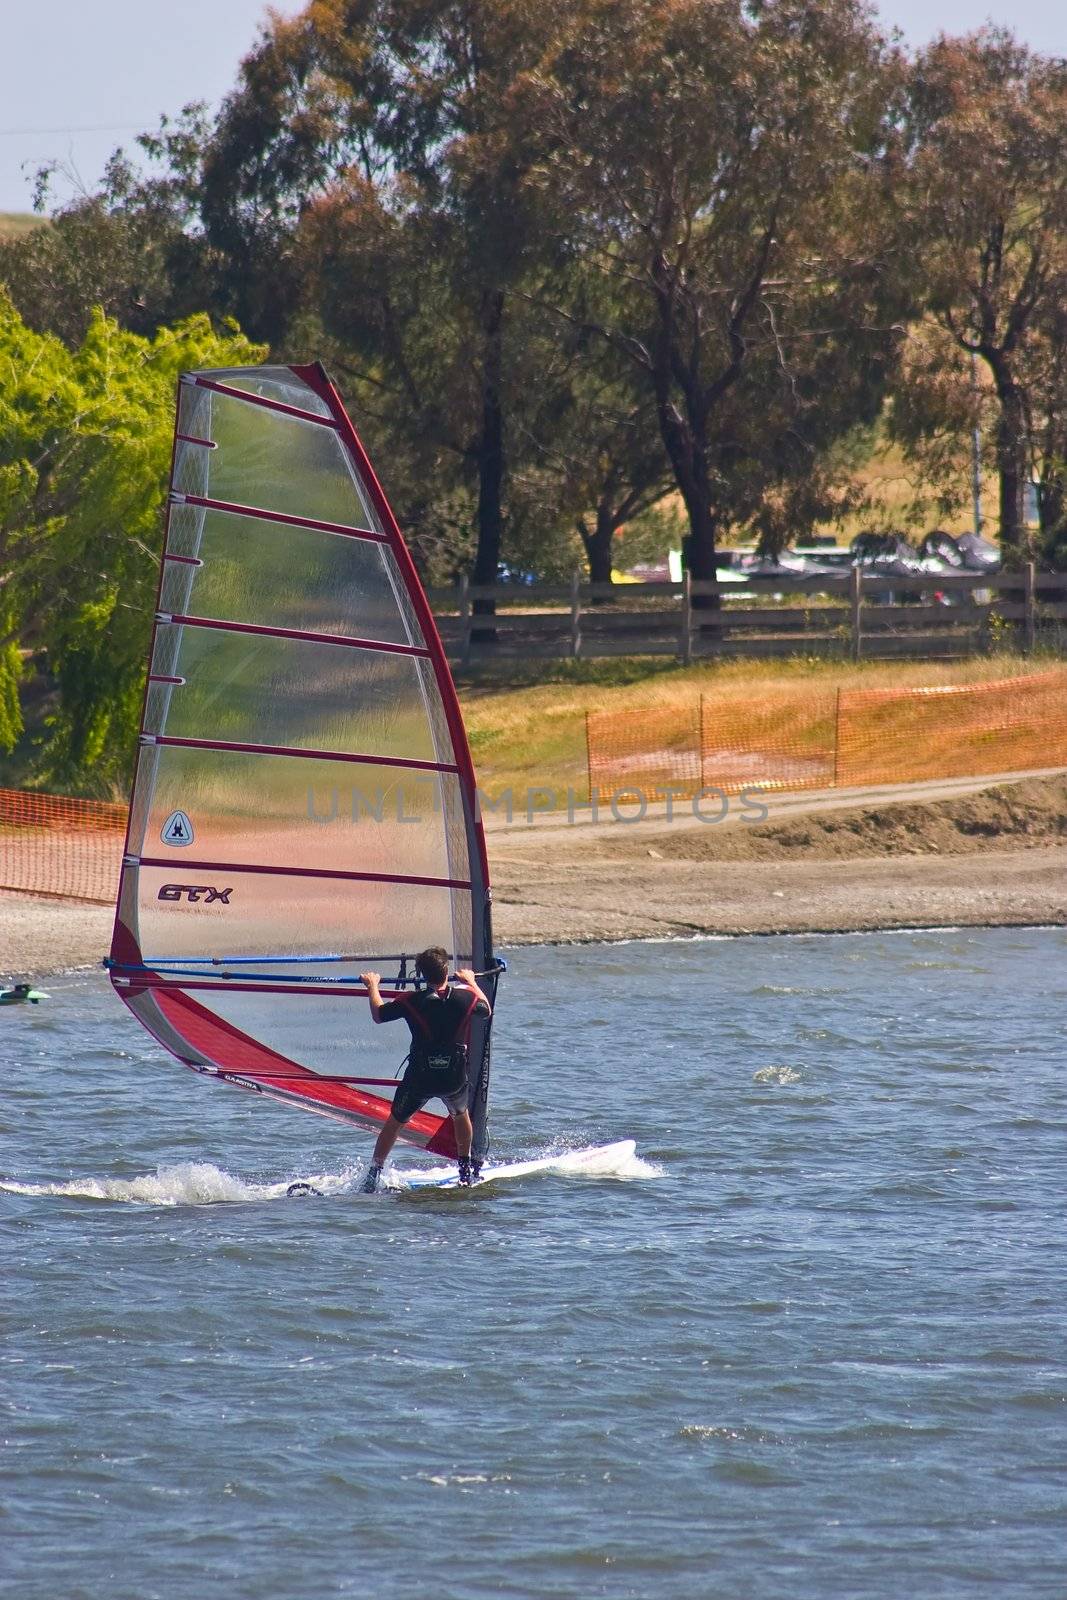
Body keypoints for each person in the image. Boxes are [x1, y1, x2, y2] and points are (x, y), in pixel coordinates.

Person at [359, 947, 492, 1193]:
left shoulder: (411, 1001)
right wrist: (471, 982)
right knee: (460, 1113)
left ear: (420, 974)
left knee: (396, 1121)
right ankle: (465, 1171)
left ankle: (373, 1174)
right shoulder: (466, 998)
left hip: (420, 1077)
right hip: (452, 1076)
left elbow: (378, 1014)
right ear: (446, 972)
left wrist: (372, 985)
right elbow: (485, 1009)